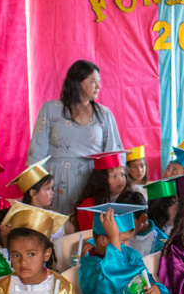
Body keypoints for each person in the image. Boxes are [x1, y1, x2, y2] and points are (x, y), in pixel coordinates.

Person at [27, 60, 123, 216]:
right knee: (58, 231)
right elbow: (36, 154)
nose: (99, 86)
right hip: (56, 185)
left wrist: (114, 183)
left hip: (92, 184)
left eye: (99, 82)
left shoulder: (104, 114)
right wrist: (39, 190)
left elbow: (115, 153)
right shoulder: (50, 109)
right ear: (77, 82)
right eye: (93, 82)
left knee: (88, 231)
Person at [73, 151, 131, 231]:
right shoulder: (88, 206)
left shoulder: (129, 198)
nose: (120, 179)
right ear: (101, 180)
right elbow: (90, 236)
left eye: (122, 175)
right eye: (114, 176)